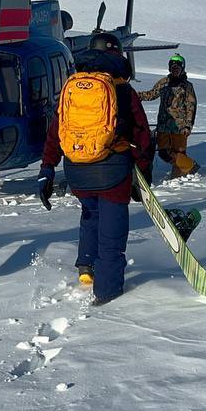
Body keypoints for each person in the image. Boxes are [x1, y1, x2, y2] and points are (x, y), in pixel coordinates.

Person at [38, 34, 152, 306]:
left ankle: (86, 266)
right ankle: (108, 293)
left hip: (77, 170)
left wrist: (47, 169)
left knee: (90, 214)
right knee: (111, 234)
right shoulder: (122, 90)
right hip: (112, 173)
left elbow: (55, 132)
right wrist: (143, 172)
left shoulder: (74, 88)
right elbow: (143, 135)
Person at [138, 53, 200, 180]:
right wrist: (136, 95)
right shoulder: (164, 82)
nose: (175, 69)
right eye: (172, 67)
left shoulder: (187, 86)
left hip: (180, 126)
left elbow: (191, 106)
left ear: (182, 68)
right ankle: (191, 166)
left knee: (179, 153)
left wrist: (188, 125)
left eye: (178, 67)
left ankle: (177, 180)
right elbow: (152, 94)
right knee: (163, 153)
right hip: (164, 125)